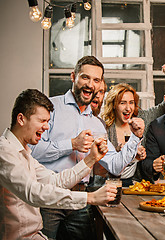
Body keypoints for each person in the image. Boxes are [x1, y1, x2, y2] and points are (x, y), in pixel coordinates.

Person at [30, 56, 145, 239]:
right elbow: (32, 152)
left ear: (100, 84)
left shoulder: (97, 125)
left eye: (96, 80)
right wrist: (71, 144)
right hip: (48, 197)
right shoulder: (51, 108)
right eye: (85, 77)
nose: (90, 84)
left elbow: (115, 166)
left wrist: (135, 138)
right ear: (73, 76)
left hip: (80, 201)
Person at [0, 89, 117, 240]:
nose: (47, 127)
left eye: (48, 121)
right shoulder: (4, 151)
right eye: (42, 121)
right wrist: (90, 198)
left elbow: (55, 181)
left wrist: (91, 159)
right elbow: (33, 193)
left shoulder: (24, 153)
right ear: (21, 119)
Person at [101, 83, 147, 187]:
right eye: (122, 103)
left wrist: (137, 156)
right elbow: (100, 168)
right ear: (113, 105)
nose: (128, 108)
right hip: (108, 184)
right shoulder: (104, 128)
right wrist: (117, 151)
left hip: (133, 185)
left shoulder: (140, 122)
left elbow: (161, 108)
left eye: (131, 103)